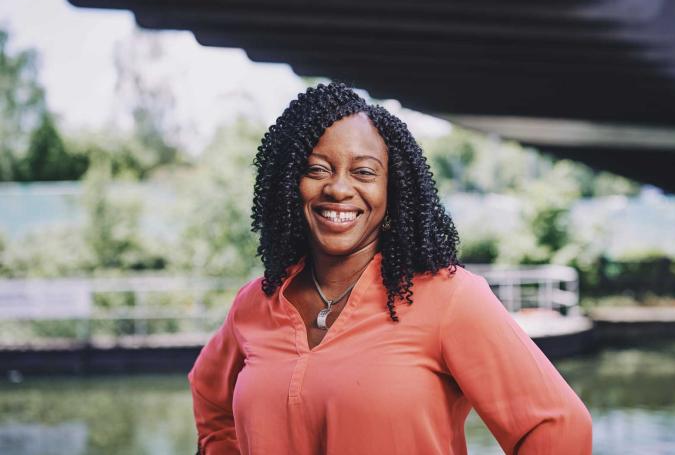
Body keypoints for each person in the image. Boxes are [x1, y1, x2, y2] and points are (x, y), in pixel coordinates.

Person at [188, 82, 592, 454]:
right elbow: (211, 400)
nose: (339, 188)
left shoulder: (448, 297)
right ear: (288, 183)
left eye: (364, 172)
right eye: (317, 169)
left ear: (392, 190)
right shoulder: (255, 303)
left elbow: (557, 426)